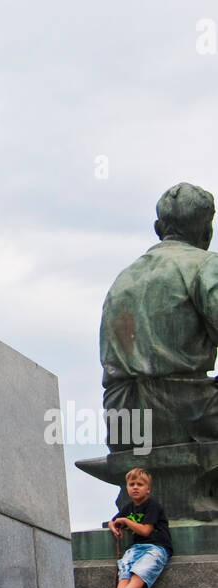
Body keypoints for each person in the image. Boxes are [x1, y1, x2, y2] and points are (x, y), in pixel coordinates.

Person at [100, 183, 218, 447]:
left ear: (158, 229)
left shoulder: (123, 280)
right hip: (188, 413)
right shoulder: (205, 265)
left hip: (122, 423)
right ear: (207, 232)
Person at [105, 468, 172, 588]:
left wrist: (127, 521)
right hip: (136, 548)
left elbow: (146, 531)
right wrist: (114, 527)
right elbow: (113, 521)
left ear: (148, 489)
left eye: (140, 484)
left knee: (139, 573)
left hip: (156, 547)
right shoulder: (129, 507)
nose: (135, 487)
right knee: (125, 573)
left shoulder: (152, 505)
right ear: (127, 487)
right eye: (131, 484)